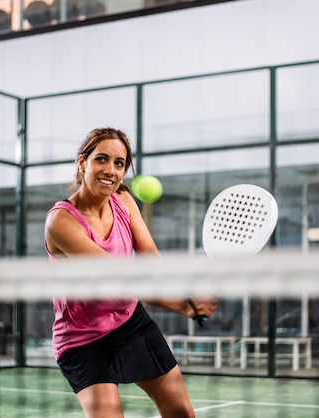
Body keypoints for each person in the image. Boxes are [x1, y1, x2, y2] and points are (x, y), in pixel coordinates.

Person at [44, 127, 217, 418]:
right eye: (101, 159)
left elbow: (151, 261)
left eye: (119, 163)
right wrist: (183, 305)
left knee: (182, 414)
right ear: (82, 162)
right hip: (83, 340)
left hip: (129, 322)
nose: (110, 170)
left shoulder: (124, 201)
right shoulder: (61, 222)